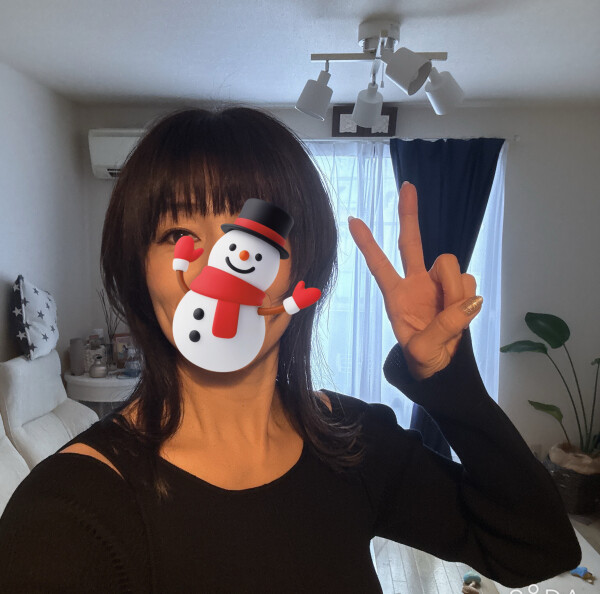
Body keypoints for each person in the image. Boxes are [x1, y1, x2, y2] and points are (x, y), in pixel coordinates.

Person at [0, 107, 581, 593]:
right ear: (138, 275)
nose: (218, 273)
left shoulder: (351, 440)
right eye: (178, 236)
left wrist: (447, 379)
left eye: (250, 239)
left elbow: (536, 549)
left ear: (301, 273)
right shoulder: (70, 512)